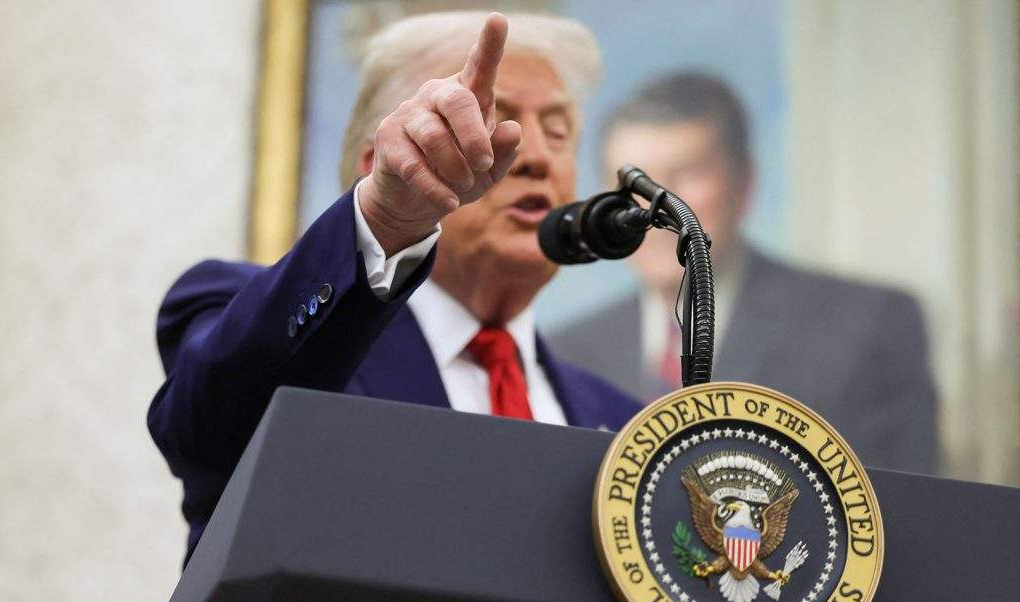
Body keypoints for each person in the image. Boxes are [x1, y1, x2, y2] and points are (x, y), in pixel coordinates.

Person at [148, 13, 641, 563]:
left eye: (558, 134)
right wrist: (386, 217)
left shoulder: (627, 427)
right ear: (381, 163)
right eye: (490, 124)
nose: (537, 158)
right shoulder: (251, 317)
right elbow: (210, 429)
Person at [549, 72, 940, 474]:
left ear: (744, 183)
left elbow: (904, 497)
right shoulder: (566, 353)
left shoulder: (867, 325)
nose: (655, 210)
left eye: (687, 174)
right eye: (635, 186)